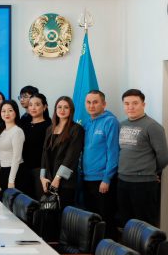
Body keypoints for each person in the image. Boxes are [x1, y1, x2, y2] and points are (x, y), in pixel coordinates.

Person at [117, 89, 168, 226]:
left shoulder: (153, 126)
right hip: (122, 180)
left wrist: (153, 171)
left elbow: (163, 156)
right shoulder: (121, 125)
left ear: (143, 105)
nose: (130, 107)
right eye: (127, 103)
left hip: (143, 183)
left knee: (144, 225)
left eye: (135, 103)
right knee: (127, 223)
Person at [82, 90, 119, 236]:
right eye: (88, 102)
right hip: (87, 178)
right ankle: (95, 248)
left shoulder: (110, 122)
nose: (91, 105)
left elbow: (113, 152)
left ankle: (110, 248)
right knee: (93, 220)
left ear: (104, 104)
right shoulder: (86, 123)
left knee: (106, 220)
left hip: (102, 180)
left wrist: (107, 178)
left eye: (95, 102)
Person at [40, 96, 84, 210]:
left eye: (66, 107)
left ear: (71, 110)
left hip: (65, 182)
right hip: (48, 179)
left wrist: (58, 178)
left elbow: (71, 157)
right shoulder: (50, 129)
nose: (62, 110)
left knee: (63, 213)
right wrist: (42, 177)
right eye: (59, 107)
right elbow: (44, 155)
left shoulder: (76, 129)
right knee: (49, 213)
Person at [20, 93, 51, 199]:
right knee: (25, 202)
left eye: (37, 104)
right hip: (24, 170)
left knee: (39, 201)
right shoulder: (23, 125)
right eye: (30, 105)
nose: (33, 108)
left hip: (40, 171)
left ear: (44, 107)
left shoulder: (49, 126)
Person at [0, 100, 25, 192]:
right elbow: (0, 157)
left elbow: (17, 157)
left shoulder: (17, 131)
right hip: (3, 172)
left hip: (16, 172)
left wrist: (11, 181)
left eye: (10, 110)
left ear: (16, 112)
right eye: (3, 111)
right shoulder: (2, 131)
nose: (6, 113)